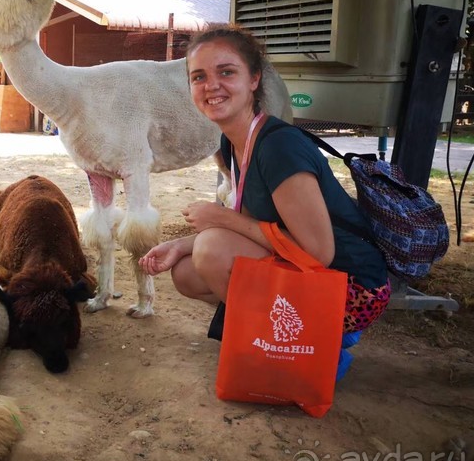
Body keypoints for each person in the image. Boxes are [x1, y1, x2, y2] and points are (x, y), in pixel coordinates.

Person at [138, 23, 391, 378]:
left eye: (227, 72)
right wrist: (180, 245)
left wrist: (219, 219)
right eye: (199, 77)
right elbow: (250, 230)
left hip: (353, 286)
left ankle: (309, 346)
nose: (211, 85)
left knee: (211, 249)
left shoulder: (279, 147)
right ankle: (290, 336)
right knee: (186, 273)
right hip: (312, 270)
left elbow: (318, 252)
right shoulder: (232, 143)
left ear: (254, 79)